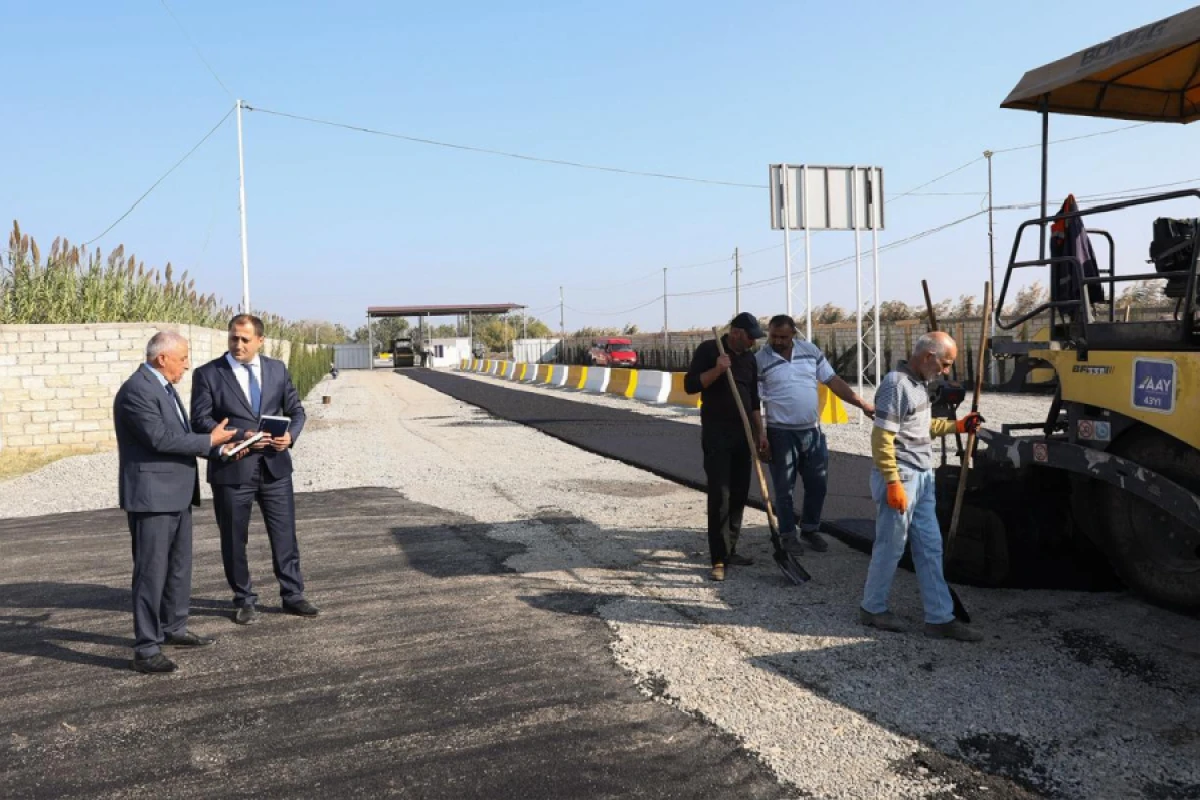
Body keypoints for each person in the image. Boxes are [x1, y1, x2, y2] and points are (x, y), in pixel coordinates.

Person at [113, 331, 239, 673]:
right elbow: (160, 438)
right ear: (162, 358)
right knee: (151, 573)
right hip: (152, 499)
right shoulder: (136, 390)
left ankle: (173, 628)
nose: (187, 365)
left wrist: (217, 448)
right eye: (182, 358)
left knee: (178, 568)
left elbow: (179, 437)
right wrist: (208, 440)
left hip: (176, 494)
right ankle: (146, 648)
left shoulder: (163, 388)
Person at [190, 314, 320, 625]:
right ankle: (244, 598)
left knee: (285, 534)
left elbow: (296, 410)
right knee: (234, 539)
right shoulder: (208, 374)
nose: (238, 344)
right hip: (233, 469)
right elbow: (200, 421)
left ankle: (292, 594)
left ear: (260, 341)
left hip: (275, 468)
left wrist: (290, 438)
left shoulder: (277, 369)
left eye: (245, 339)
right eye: (234, 338)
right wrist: (238, 435)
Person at [859, 331, 984, 642]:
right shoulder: (896, 385)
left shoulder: (919, 384)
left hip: (923, 474)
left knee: (930, 546)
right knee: (891, 545)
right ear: (928, 356)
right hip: (902, 475)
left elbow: (920, 426)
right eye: (944, 364)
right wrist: (892, 482)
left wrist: (958, 425)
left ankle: (939, 618)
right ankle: (873, 608)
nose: (945, 371)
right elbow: (882, 438)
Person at [756, 314, 875, 555]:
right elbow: (753, 402)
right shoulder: (760, 359)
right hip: (780, 433)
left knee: (817, 484)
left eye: (783, 337)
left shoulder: (810, 351)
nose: (777, 341)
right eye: (773, 336)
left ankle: (810, 529)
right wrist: (761, 436)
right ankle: (788, 534)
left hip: (811, 431)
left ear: (794, 334)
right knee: (783, 488)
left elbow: (832, 380)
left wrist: (862, 404)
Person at [684, 312, 766, 582]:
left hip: (743, 434)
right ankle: (718, 558)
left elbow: (754, 400)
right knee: (721, 495)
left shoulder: (749, 359)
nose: (754, 342)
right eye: (751, 337)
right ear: (737, 333)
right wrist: (718, 370)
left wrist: (759, 432)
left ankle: (731, 549)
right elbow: (691, 385)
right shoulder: (710, 350)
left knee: (740, 493)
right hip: (717, 434)